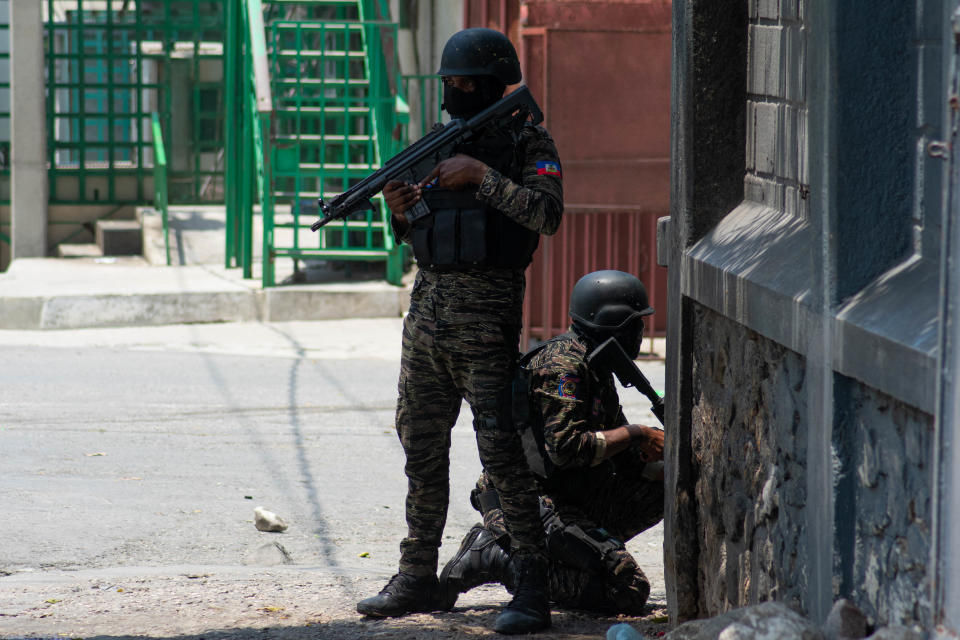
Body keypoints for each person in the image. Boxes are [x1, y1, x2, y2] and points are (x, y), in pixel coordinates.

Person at [355, 27, 564, 635]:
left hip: (487, 313)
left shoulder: (528, 138)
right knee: (420, 446)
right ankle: (417, 573)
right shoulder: (441, 141)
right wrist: (401, 209)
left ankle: (532, 586)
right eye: (451, 84)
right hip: (427, 315)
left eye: (469, 83)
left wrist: (480, 176)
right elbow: (423, 226)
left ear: (498, 84)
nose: (458, 92)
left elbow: (546, 214)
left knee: (501, 452)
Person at [438, 270, 665, 615]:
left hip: (570, 494)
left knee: (665, 488)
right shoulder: (564, 366)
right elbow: (566, 448)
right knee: (628, 590)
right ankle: (494, 556)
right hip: (527, 503)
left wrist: (662, 459)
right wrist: (638, 433)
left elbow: (622, 458)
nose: (641, 334)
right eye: (636, 326)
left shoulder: (596, 367)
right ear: (613, 325)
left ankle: (582, 552)